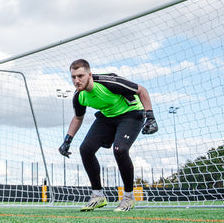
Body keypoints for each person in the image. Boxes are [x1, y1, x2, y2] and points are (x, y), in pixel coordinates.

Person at [58, 59, 158, 212]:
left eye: (80, 76)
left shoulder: (109, 82)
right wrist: (67, 140)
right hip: (108, 117)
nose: (76, 81)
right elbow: (78, 118)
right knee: (85, 149)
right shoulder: (79, 96)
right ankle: (98, 196)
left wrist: (150, 117)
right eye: (73, 77)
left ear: (89, 75)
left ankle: (128, 197)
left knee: (120, 149)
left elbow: (142, 90)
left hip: (130, 113)